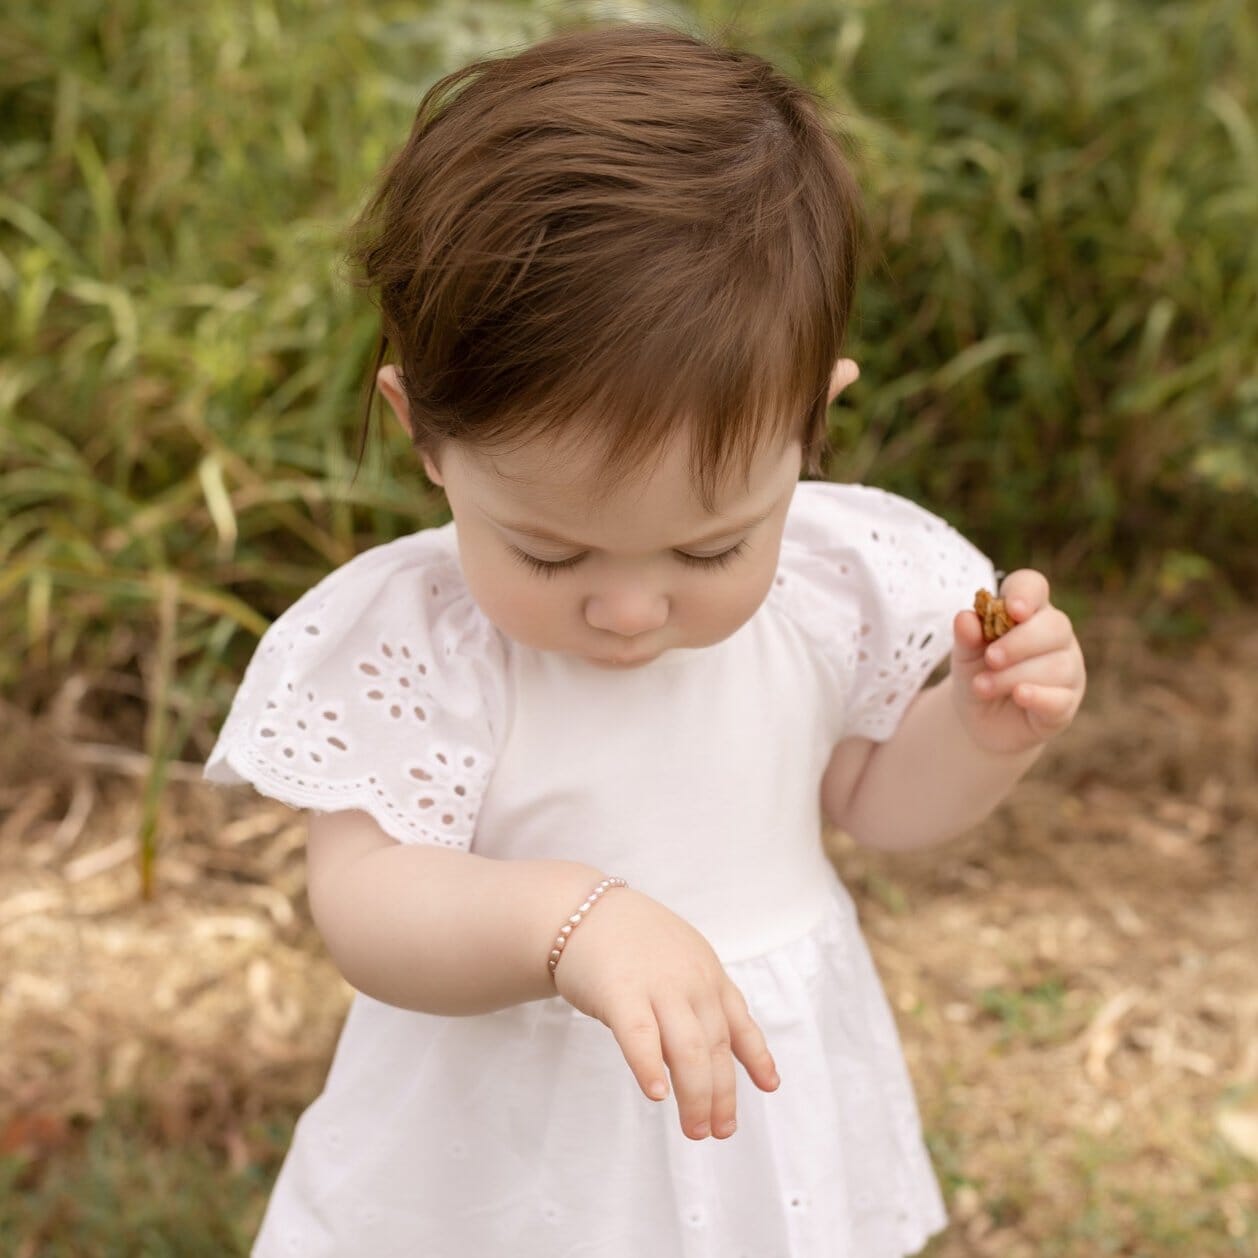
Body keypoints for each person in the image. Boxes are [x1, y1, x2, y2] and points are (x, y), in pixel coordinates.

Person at [205, 22, 1087, 1257]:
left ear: (809, 424)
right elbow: (363, 903)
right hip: (495, 1164)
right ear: (427, 435)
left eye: (708, 549)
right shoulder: (427, 644)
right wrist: (570, 923)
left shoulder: (827, 589)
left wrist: (981, 732)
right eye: (551, 553)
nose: (628, 608)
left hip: (745, 1136)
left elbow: (873, 801)